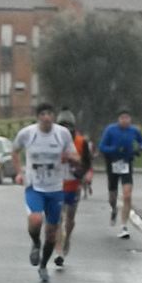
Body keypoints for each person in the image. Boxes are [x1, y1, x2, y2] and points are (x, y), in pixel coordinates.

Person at [12, 103, 80, 282]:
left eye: (49, 113)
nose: (46, 117)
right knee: (35, 219)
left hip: (56, 188)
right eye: (42, 114)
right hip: (34, 186)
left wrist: (70, 158)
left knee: (51, 232)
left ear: (54, 116)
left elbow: (76, 157)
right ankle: (35, 243)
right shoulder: (28, 133)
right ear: (37, 117)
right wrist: (19, 172)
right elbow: (15, 150)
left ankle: (43, 265)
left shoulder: (62, 134)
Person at [53, 108, 92, 268]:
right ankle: (59, 251)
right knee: (57, 219)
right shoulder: (52, 140)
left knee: (70, 218)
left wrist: (80, 171)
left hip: (73, 185)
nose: (65, 129)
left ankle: (67, 237)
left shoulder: (81, 142)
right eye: (62, 126)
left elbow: (87, 163)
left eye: (68, 126)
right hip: (56, 185)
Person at [98, 108, 142, 239]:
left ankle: (124, 226)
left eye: (127, 118)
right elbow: (102, 146)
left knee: (127, 195)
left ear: (130, 119)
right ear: (118, 119)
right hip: (112, 163)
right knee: (112, 196)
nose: (125, 120)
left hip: (126, 163)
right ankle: (113, 209)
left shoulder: (133, 130)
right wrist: (113, 149)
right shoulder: (110, 130)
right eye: (122, 118)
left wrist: (140, 148)